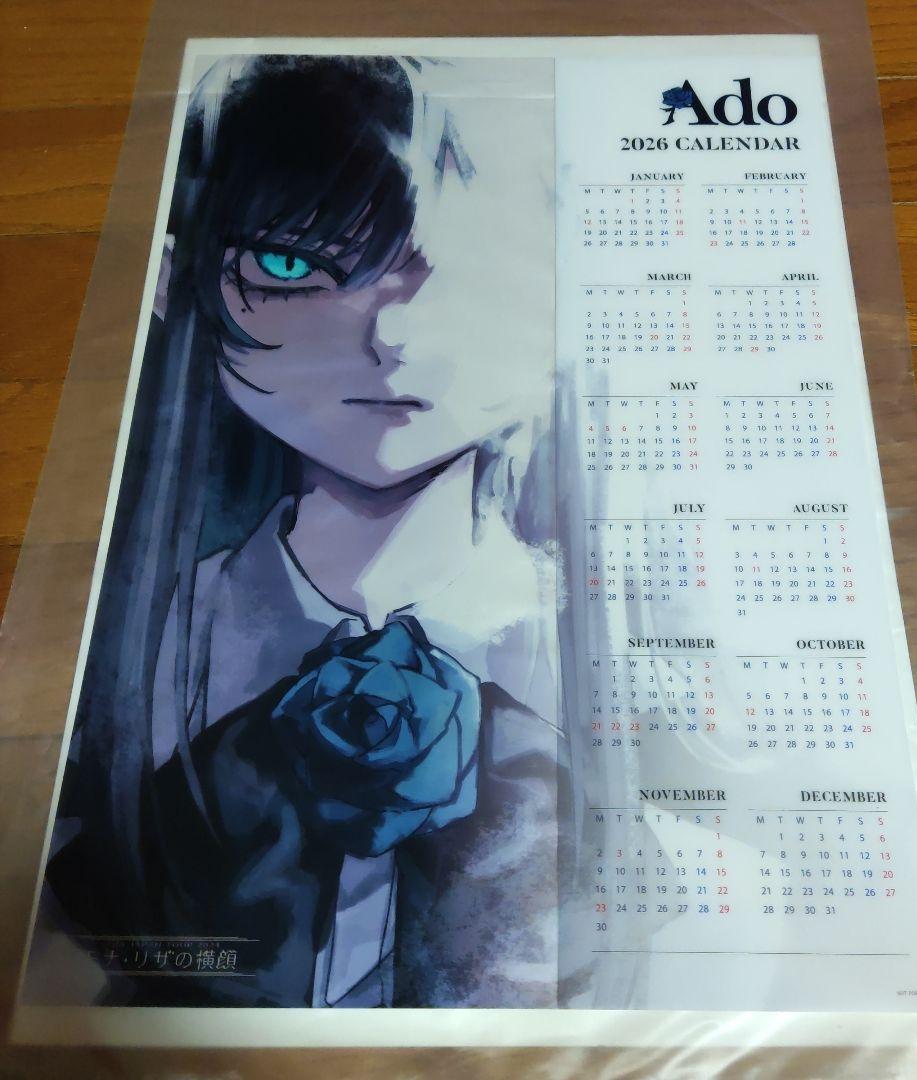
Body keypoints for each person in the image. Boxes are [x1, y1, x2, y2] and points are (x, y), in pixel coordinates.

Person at [26, 53, 561, 1009]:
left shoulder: (599, 649)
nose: (394, 335)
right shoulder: (119, 651)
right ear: (174, 281)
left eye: (476, 268)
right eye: (293, 265)